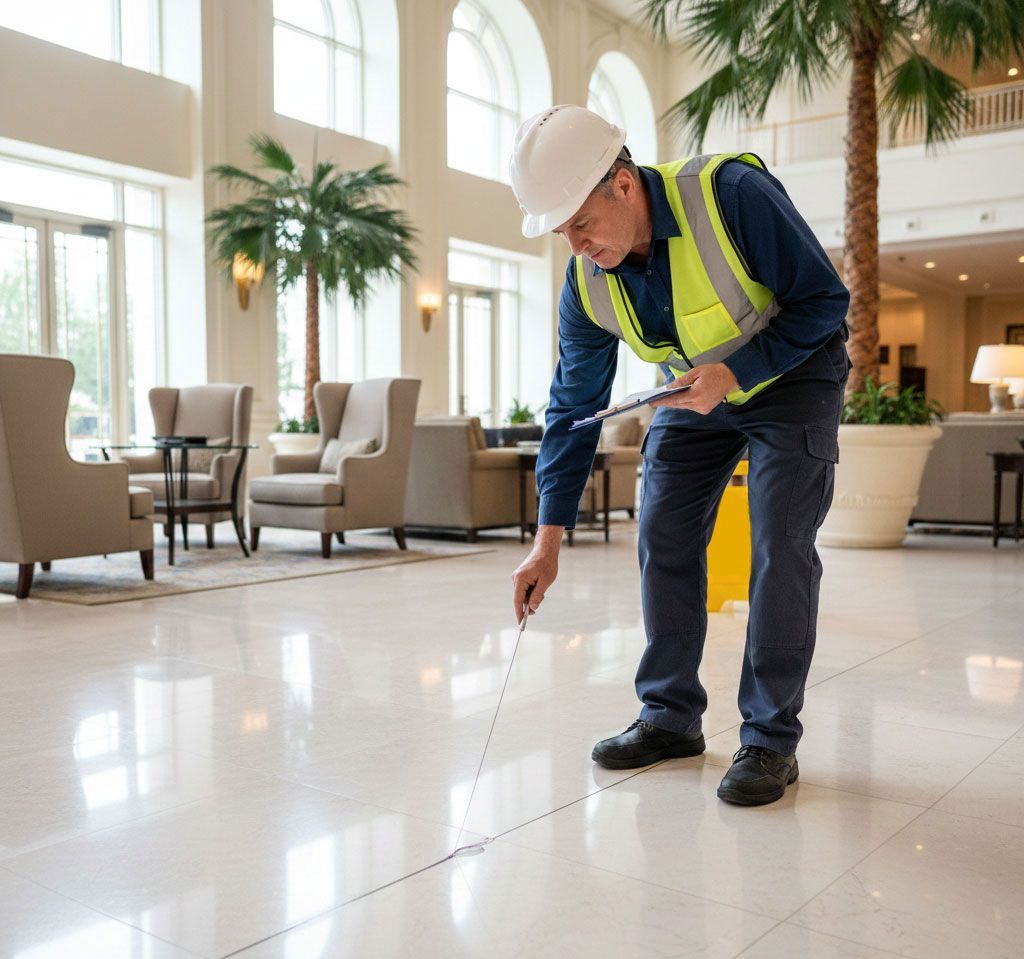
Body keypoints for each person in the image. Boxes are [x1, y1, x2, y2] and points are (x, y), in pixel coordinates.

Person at [509, 105, 851, 806]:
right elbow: (574, 409)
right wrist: (547, 541)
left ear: (624, 184)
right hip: (696, 390)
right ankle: (669, 717)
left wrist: (740, 371)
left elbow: (825, 300)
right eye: (560, 231)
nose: (575, 243)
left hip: (794, 373)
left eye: (580, 220)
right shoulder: (587, 284)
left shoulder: (730, 197)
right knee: (662, 528)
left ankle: (769, 738)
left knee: (779, 544)